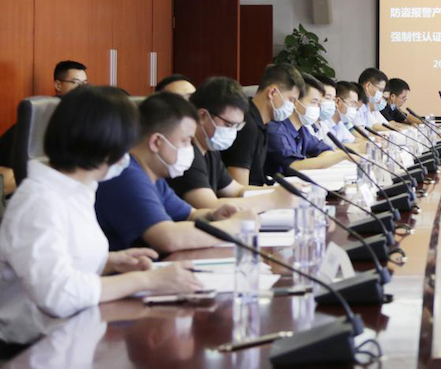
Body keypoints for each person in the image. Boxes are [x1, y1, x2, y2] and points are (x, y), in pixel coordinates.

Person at [0, 87, 201, 346]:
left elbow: (63, 260)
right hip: (32, 347)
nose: (130, 154)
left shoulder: (79, 190)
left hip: (76, 334)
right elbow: (58, 295)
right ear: (105, 144)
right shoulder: (39, 202)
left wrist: (110, 262)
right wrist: (146, 280)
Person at [95, 93, 256, 253]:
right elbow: (168, 239)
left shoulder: (154, 177)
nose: (189, 148)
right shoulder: (127, 176)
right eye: (186, 141)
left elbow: (190, 215)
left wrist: (213, 216)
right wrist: (234, 226)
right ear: (156, 142)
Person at [168, 77, 298, 212]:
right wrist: (272, 200)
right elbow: (210, 206)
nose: (232, 132)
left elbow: (236, 190)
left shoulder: (210, 149)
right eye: (228, 125)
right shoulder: (186, 154)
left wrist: (282, 191)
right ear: (202, 116)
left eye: (237, 126)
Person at [0, 60, 89, 194]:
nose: (82, 88)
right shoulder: (48, 115)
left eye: (85, 83)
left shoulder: (80, 116)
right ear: (58, 85)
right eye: (76, 82)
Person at [222, 63, 304, 186]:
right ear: (272, 92)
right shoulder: (247, 126)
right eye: (291, 100)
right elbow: (240, 188)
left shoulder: (262, 124)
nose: (292, 107)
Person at [264, 72, 348, 178]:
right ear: (295, 102)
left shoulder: (302, 130)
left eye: (318, 103)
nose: (317, 108)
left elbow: (326, 150)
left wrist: (313, 162)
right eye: (313, 102)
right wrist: (341, 156)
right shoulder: (276, 129)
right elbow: (294, 166)